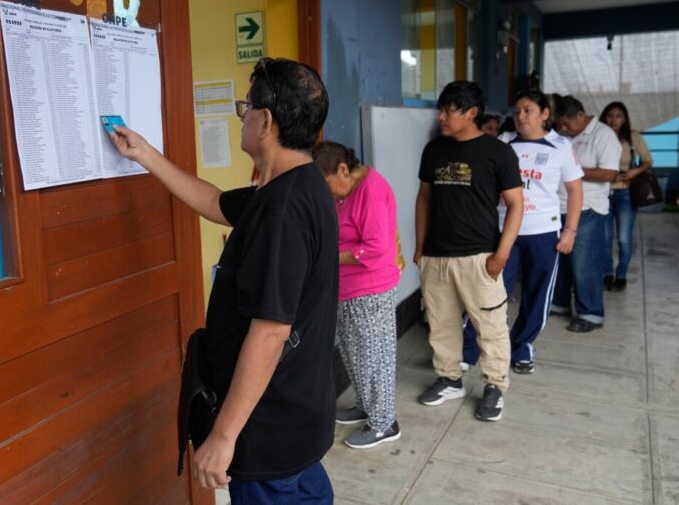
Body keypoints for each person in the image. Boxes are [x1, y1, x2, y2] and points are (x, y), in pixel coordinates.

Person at [111, 58, 337, 502]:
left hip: (267, 429)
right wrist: (146, 155)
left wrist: (224, 435)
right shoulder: (295, 187)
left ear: (266, 121)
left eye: (245, 108)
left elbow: (271, 331)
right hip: (299, 422)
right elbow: (214, 202)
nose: (242, 117)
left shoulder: (283, 213)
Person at [414, 80, 524, 422]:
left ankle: (494, 386)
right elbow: (425, 198)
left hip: (480, 256)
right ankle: (450, 379)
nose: (442, 116)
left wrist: (501, 254)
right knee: (441, 324)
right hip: (437, 256)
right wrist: (421, 247)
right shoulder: (434, 150)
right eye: (441, 109)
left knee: (490, 326)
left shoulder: (498, 152)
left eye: (450, 110)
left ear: (472, 113)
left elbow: (516, 205)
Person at [462, 90, 583, 375]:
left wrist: (570, 232)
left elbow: (575, 191)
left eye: (528, 110)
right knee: (489, 290)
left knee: (537, 293)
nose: (521, 116)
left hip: (544, 231)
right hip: (505, 231)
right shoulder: (503, 143)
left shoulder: (561, 146)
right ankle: (469, 348)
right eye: (517, 111)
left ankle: (522, 346)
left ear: (544, 114)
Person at [312, 140, 401, 449]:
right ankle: (366, 405)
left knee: (374, 357)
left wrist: (326, 256)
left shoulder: (371, 191)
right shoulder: (345, 190)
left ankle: (384, 422)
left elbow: (376, 248)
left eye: (327, 184)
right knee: (354, 354)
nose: (328, 192)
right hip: (347, 288)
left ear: (343, 169)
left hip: (371, 289)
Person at [551, 95, 621, 332]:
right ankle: (559, 303)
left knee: (584, 264)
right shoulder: (566, 136)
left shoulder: (603, 135)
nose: (562, 128)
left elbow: (609, 174)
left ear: (580, 116)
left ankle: (590, 313)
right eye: (559, 124)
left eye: (566, 124)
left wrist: (573, 171)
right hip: (558, 206)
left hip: (588, 209)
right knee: (559, 261)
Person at [600, 101, 653, 292]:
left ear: (625, 119)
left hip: (625, 192)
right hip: (603, 192)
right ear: (604, 117)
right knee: (605, 238)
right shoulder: (599, 137)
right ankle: (607, 274)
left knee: (623, 238)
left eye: (618, 116)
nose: (614, 120)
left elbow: (648, 161)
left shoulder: (633, 137)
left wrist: (633, 172)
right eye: (610, 116)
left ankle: (621, 275)